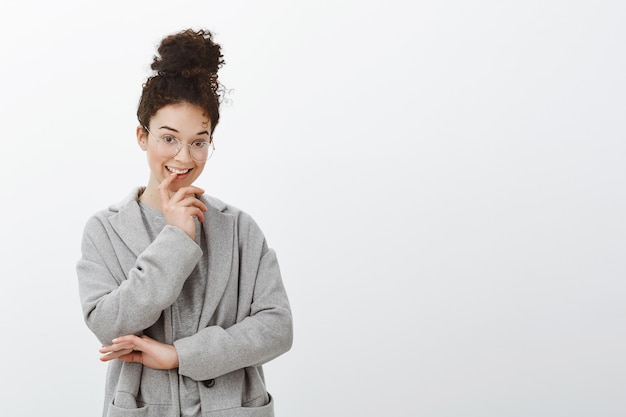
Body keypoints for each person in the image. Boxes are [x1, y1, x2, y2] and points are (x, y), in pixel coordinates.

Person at [76, 28, 293, 417]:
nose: (184, 156)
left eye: (199, 141)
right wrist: (175, 236)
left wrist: (179, 355)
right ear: (143, 136)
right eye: (169, 138)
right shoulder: (104, 230)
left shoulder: (239, 228)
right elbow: (108, 324)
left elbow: (277, 328)